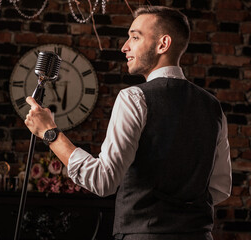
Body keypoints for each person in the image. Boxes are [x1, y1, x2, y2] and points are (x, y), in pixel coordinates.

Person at [24, 5, 231, 240]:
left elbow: (103, 181)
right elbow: (220, 187)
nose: (124, 47)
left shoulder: (134, 98)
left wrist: (49, 132)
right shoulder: (212, 106)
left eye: (135, 37)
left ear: (163, 44)